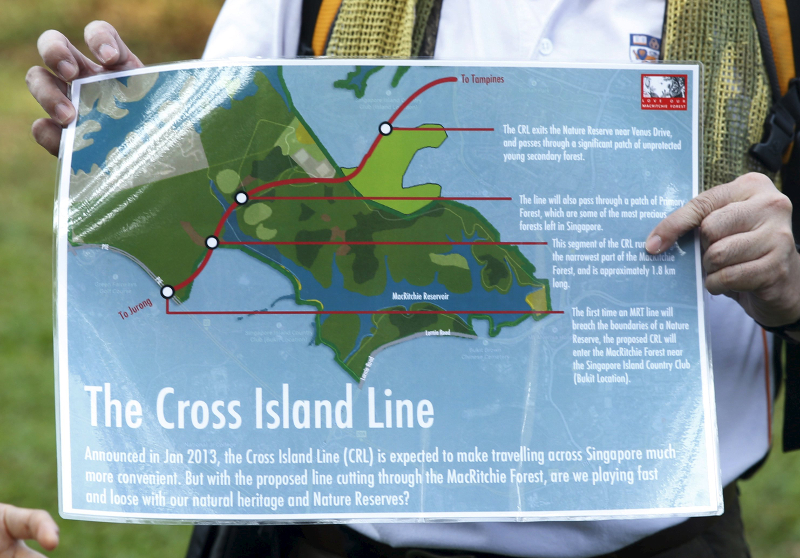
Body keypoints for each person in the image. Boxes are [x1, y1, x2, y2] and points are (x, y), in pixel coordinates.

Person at [25, 1, 800, 556]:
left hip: (666, 537)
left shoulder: (770, 16)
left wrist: (792, 279)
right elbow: (226, 148)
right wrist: (144, 142)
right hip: (341, 534)